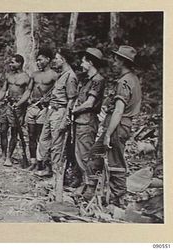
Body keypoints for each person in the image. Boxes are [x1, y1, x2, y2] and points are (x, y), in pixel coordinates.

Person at [89, 45, 141, 206]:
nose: (113, 62)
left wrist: (108, 134)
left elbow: (118, 111)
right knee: (95, 154)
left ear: (122, 61)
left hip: (118, 126)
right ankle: (91, 190)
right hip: (120, 126)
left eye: (116, 59)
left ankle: (119, 199)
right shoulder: (133, 79)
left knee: (115, 162)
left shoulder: (125, 81)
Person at [35, 48, 78, 187]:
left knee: (57, 145)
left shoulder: (70, 76)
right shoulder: (61, 75)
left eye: (57, 58)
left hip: (60, 112)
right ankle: (47, 168)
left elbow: (71, 100)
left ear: (63, 60)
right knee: (44, 140)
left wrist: (65, 119)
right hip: (51, 110)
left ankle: (57, 176)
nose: (54, 61)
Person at [70, 48, 106, 189]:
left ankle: (88, 185)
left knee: (85, 154)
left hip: (87, 121)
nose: (81, 64)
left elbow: (89, 102)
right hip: (80, 120)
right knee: (78, 152)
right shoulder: (86, 80)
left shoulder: (98, 80)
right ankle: (81, 181)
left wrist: (74, 110)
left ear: (90, 62)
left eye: (83, 61)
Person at [18, 48, 58, 171]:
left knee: (42, 136)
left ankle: (43, 163)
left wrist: (49, 102)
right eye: (37, 60)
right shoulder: (34, 75)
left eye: (40, 60)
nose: (38, 62)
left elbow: (57, 93)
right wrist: (19, 103)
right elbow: (28, 91)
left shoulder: (54, 75)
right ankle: (33, 161)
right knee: (31, 135)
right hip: (32, 107)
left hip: (44, 109)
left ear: (48, 59)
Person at [0, 54, 30, 167]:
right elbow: (3, 90)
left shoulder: (26, 77)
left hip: (18, 107)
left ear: (19, 63)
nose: (10, 64)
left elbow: (28, 93)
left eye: (13, 62)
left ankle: (9, 156)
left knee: (14, 132)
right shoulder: (9, 76)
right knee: (3, 130)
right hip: (7, 105)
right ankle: (3, 155)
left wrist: (20, 104)